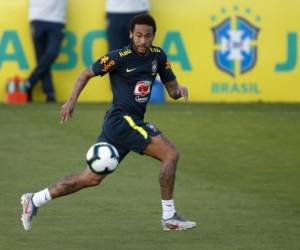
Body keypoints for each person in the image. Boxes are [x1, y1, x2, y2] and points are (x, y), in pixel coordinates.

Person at [21, 14, 196, 231]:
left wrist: (179, 91)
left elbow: (172, 90)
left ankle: (35, 200)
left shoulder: (159, 56)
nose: (142, 41)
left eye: (147, 36)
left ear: (153, 36)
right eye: (138, 35)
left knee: (90, 178)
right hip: (122, 120)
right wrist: (71, 100)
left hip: (123, 125)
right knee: (170, 154)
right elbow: (85, 74)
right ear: (131, 34)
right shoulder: (118, 56)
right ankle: (169, 216)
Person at [26, 0, 67, 102]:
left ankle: (30, 82)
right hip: (38, 17)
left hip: (57, 19)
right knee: (41, 58)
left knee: (52, 53)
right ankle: (50, 93)